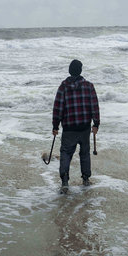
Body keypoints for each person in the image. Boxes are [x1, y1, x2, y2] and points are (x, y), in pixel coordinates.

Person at [52, 59, 100, 193]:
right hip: (84, 127)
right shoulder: (89, 86)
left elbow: (58, 108)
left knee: (66, 153)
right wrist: (96, 123)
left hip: (69, 128)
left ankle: (65, 182)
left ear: (69, 71)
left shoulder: (63, 87)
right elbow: (94, 106)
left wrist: (55, 126)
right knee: (85, 153)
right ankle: (85, 179)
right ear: (80, 71)